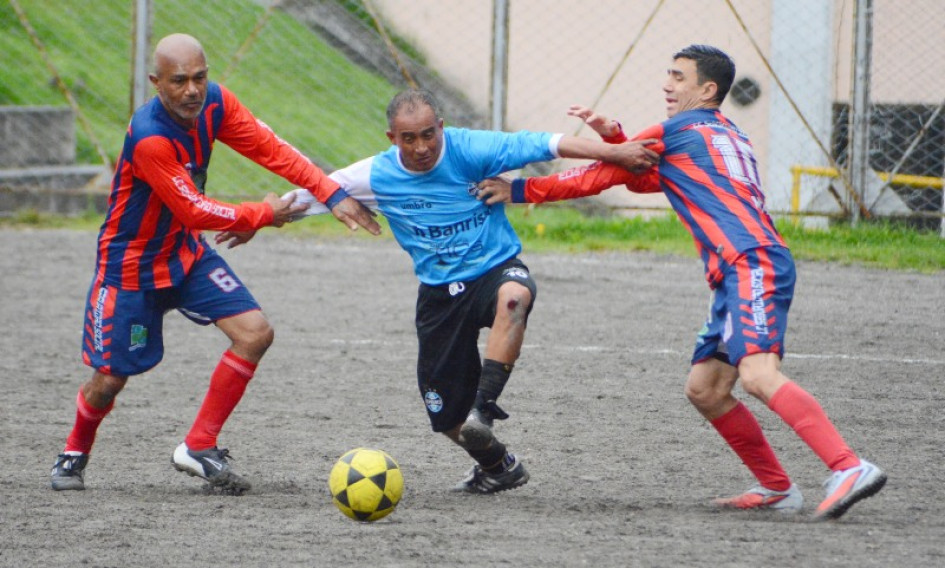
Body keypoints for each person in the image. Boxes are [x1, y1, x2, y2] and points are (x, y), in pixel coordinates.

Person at [477, 44, 886, 519]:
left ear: (707, 89)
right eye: (667, 75)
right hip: (739, 268)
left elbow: (602, 175)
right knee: (706, 388)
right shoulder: (725, 133)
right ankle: (776, 488)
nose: (666, 85)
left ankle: (848, 466)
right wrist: (617, 138)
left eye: (678, 77)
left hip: (750, 262)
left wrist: (520, 188)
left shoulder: (676, 130)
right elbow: (641, 178)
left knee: (758, 375)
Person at [228, 88, 658, 493]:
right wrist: (257, 219)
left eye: (428, 135)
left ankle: (484, 408)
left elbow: (549, 143)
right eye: (409, 138)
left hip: (494, 270)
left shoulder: (470, 148)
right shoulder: (374, 175)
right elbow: (307, 197)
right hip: (438, 295)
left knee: (515, 296)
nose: (421, 147)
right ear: (392, 138)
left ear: (441, 128)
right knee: (446, 417)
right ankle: (498, 467)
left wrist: (615, 151)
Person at [49, 33, 381, 494]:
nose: (192, 90)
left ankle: (198, 445)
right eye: (179, 81)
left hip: (186, 253)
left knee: (255, 333)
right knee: (109, 379)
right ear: (156, 83)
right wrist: (261, 214)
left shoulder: (215, 104)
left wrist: (332, 192)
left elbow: (272, 150)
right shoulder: (149, 138)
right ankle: (73, 452)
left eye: (199, 77)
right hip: (131, 269)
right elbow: (193, 209)